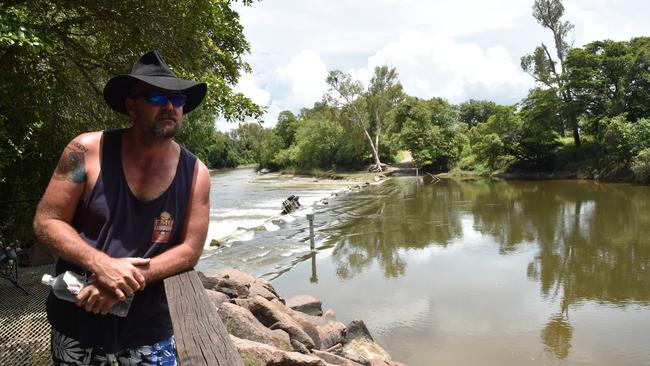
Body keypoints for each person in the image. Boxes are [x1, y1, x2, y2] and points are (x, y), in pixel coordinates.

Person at [33, 50, 211, 365]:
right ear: (131, 106)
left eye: (178, 99)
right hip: (77, 313)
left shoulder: (196, 173)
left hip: (148, 326)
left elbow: (190, 250)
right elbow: (47, 221)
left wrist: (122, 282)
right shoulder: (85, 150)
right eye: (157, 97)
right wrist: (102, 265)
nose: (170, 106)